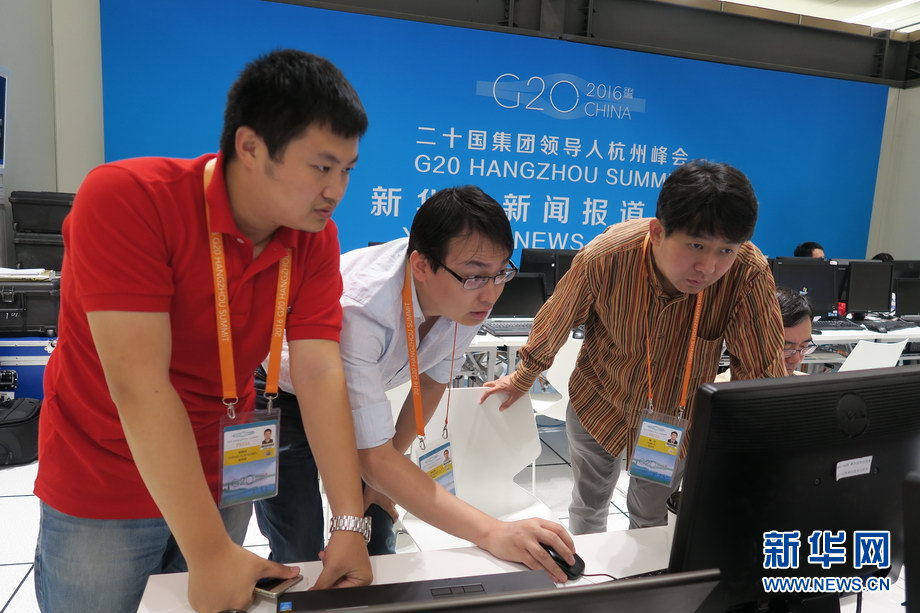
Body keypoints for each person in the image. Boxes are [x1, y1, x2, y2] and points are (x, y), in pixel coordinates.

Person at [33, 50, 374, 612]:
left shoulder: (313, 237)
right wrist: (210, 554)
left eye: (348, 170)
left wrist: (348, 522)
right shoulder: (129, 198)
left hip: (224, 474)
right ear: (251, 147)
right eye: (322, 167)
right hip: (106, 480)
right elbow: (140, 386)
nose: (337, 189)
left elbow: (318, 371)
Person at [256, 186, 576, 582]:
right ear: (422, 266)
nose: (491, 293)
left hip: (350, 391)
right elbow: (373, 459)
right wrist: (493, 532)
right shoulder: (361, 308)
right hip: (284, 394)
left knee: (376, 522)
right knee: (299, 541)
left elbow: (430, 383)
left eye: (501, 273)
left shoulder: (465, 295)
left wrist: (384, 472)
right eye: (477, 276)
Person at [481, 159, 786, 534]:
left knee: (650, 517)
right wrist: (524, 375)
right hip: (600, 400)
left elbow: (760, 368)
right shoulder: (608, 256)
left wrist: (753, 440)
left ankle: (643, 569)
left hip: (673, 416)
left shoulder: (747, 272)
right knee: (588, 504)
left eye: (726, 251)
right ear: (658, 232)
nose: (708, 267)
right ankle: (586, 568)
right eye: (696, 245)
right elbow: (558, 316)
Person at [716, 286, 814, 381]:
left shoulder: (809, 384)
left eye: (803, 347)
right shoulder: (718, 387)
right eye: (786, 348)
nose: (796, 360)